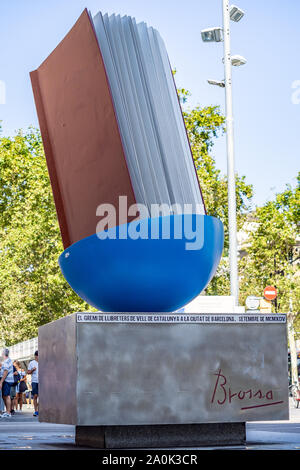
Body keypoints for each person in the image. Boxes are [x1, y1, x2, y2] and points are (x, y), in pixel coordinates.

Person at [0, 348, 14, 418]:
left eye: (1, 353)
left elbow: (6, 371)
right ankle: (7, 411)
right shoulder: (8, 360)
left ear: (3, 354)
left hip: (6, 380)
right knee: (4, 396)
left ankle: (8, 412)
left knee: (6, 396)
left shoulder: (6, 361)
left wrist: (1, 381)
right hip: (8, 380)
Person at [28, 351, 39, 417]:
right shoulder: (32, 363)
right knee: (35, 396)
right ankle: (36, 411)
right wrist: (32, 370)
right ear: (35, 356)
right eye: (38, 356)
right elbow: (28, 372)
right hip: (34, 381)